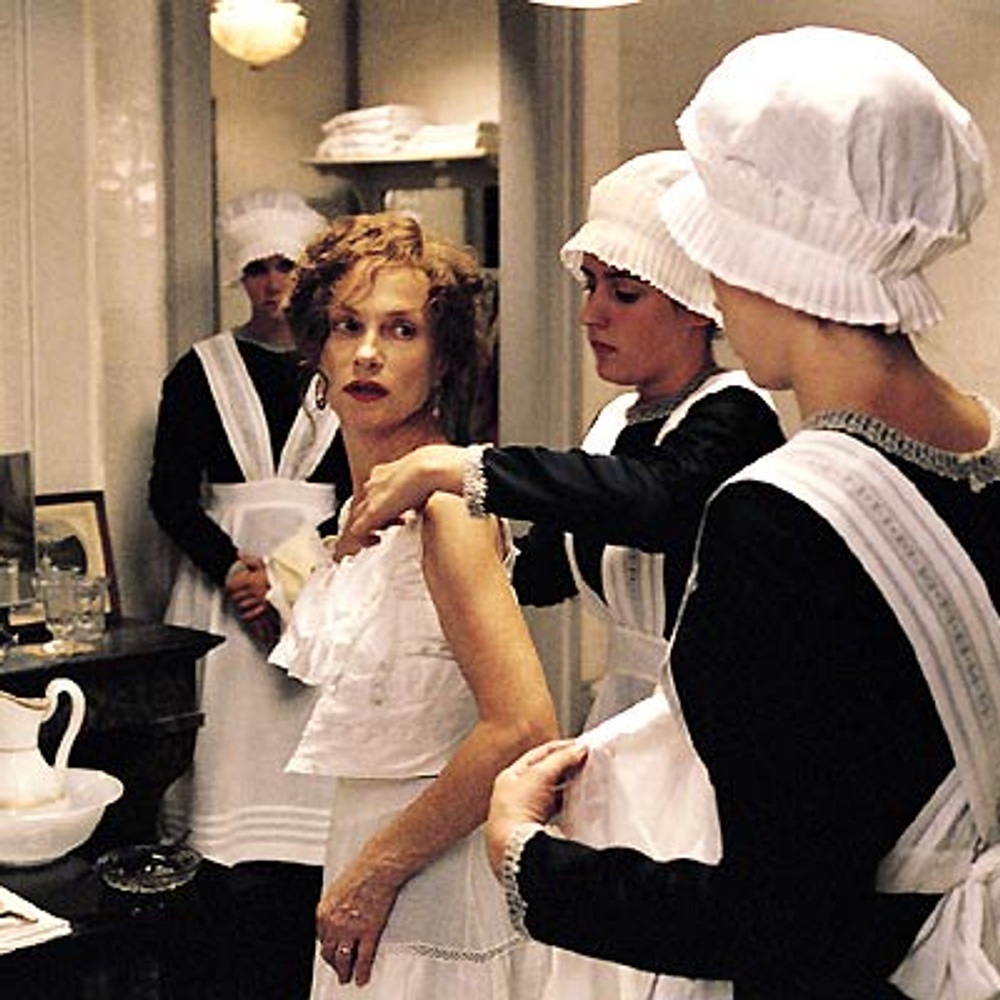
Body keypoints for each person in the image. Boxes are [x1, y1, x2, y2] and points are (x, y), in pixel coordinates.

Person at [483, 25, 1000, 1000]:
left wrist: (528, 860)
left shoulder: (775, 522)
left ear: (758, 260)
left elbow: (781, 920)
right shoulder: (986, 455)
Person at [345, 152, 784, 731]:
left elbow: (653, 498)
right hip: (626, 710)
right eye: (591, 285)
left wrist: (461, 467)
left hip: (718, 719)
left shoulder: (738, 413)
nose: (590, 314)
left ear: (696, 307)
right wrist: (429, 549)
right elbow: (545, 570)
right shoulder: (616, 424)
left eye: (624, 294)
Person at [268, 211, 559, 999]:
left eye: (401, 330)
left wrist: (376, 873)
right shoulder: (367, 505)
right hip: (370, 843)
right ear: (317, 350)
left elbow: (522, 725)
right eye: (347, 326)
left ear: (444, 358)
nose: (368, 352)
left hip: (438, 870)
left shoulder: (445, 507)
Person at [149, 188, 350, 1000]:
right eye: (257, 269)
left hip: (324, 584)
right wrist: (233, 568)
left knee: (312, 781)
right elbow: (169, 493)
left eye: (286, 267)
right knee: (228, 769)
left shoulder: (347, 366)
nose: (272, 285)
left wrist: (290, 574)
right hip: (221, 594)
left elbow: (364, 492)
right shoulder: (200, 370)